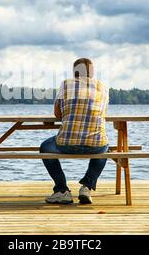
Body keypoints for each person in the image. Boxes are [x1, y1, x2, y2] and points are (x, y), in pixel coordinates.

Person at [40, 58, 109, 204]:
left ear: (75, 72)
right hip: (95, 146)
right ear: (92, 72)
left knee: (45, 147)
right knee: (104, 146)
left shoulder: (66, 84)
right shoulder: (103, 87)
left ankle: (62, 190)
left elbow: (58, 114)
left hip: (67, 144)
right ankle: (87, 187)